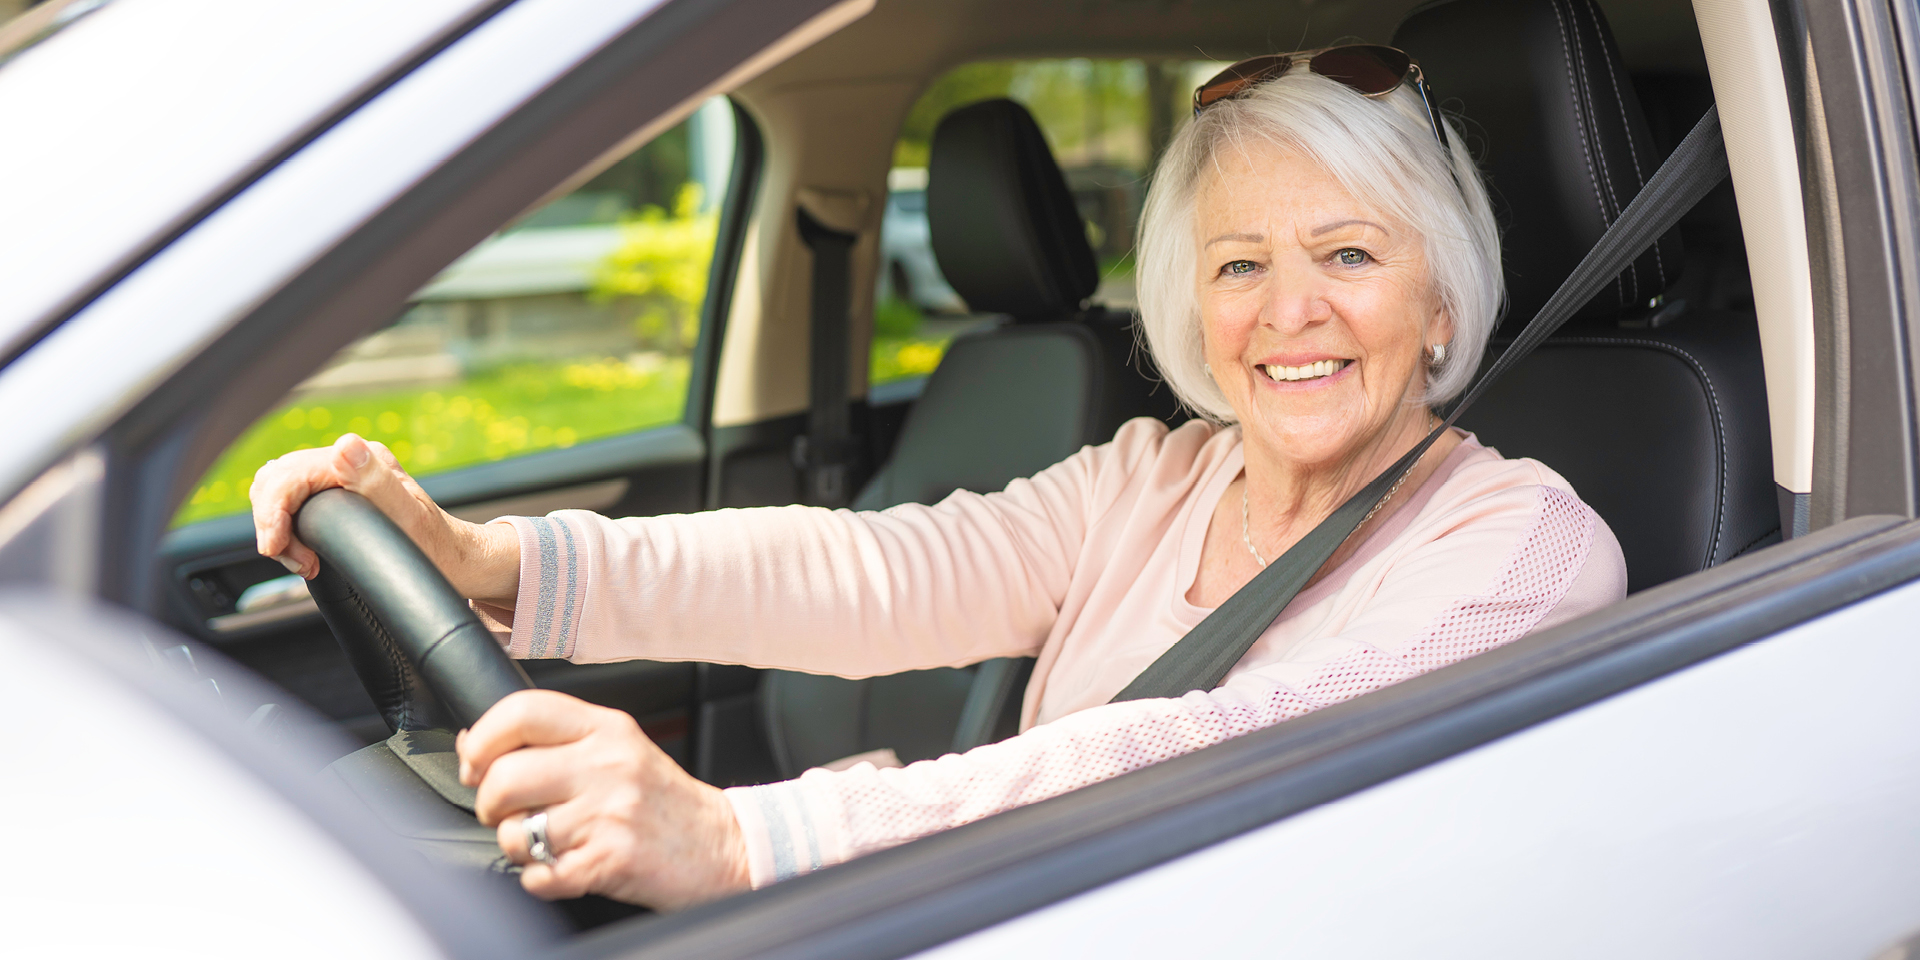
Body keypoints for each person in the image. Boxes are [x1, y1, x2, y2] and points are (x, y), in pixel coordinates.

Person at [252, 51, 1627, 910]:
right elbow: (873, 570)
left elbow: (1222, 751)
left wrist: (741, 840)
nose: (1289, 313)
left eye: (1350, 254)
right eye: (1239, 265)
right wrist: (495, 564)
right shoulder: (1153, 476)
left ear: (1443, 305)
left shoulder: (1524, 548)